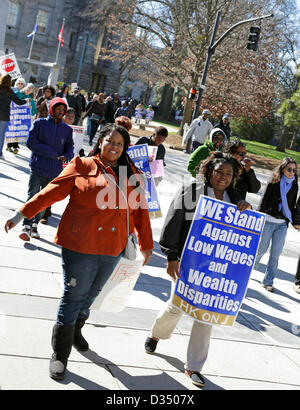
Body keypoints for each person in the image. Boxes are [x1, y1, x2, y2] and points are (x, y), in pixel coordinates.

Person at [5, 123, 153, 381]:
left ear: (125, 147)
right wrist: (22, 214)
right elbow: (51, 192)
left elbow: (140, 213)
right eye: (110, 141)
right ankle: (60, 355)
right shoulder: (82, 166)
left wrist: (147, 245)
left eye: (120, 144)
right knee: (73, 296)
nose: (114, 147)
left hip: (112, 247)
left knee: (91, 296)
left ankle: (75, 330)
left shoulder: (133, 175)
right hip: (80, 245)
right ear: (100, 142)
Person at [144, 152, 251, 387]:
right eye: (219, 172)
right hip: (187, 261)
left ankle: (194, 367)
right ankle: (156, 334)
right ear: (209, 170)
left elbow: (241, 232)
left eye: (228, 174)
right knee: (176, 306)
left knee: (206, 316)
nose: (223, 177)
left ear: (233, 178)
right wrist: (171, 256)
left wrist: (245, 208)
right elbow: (174, 221)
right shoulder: (192, 191)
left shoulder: (235, 197)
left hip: (215, 268)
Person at [18, 97, 74, 241]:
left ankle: (35, 224)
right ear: (52, 109)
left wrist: (67, 155)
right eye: (58, 109)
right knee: (32, 196)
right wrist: (51, 153)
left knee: (45, 200)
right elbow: (31, 142)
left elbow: (70, 147)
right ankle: (26, 225)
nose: (61, 112)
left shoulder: (67, 130)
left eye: (63, 110)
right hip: (38, 167)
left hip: (55, 171)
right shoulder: (39, 123)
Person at [254, 157, 298, 292]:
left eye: (294, 170)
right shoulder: (274, 181)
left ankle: (268, 281)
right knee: (261, 249)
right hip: (268, 221)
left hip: (282, 224)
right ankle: (249, 269)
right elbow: (264, 199)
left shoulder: (294, 185)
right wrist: (259, 216)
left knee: (275, 254)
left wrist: (295, 221)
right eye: (289, 169)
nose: (291, 172)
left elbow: (292, 205)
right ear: (283, 169)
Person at [40, 108, 77, 226]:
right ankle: (41, 211)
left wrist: (69, 155)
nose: (70, 118)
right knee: (41, 188)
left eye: (72, 117)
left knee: (51, 189)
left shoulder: (71, 130)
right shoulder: (52, 127)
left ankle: (46, 211)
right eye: (68, 116)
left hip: (60, 165)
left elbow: (71, 147)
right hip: (44, 163)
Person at [0, 74, 27, 159]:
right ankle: (0, 154)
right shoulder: (10, 91)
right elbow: (18, 102)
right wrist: (26, 101)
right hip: (4, 116)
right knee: (1, 135)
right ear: (9, 82)